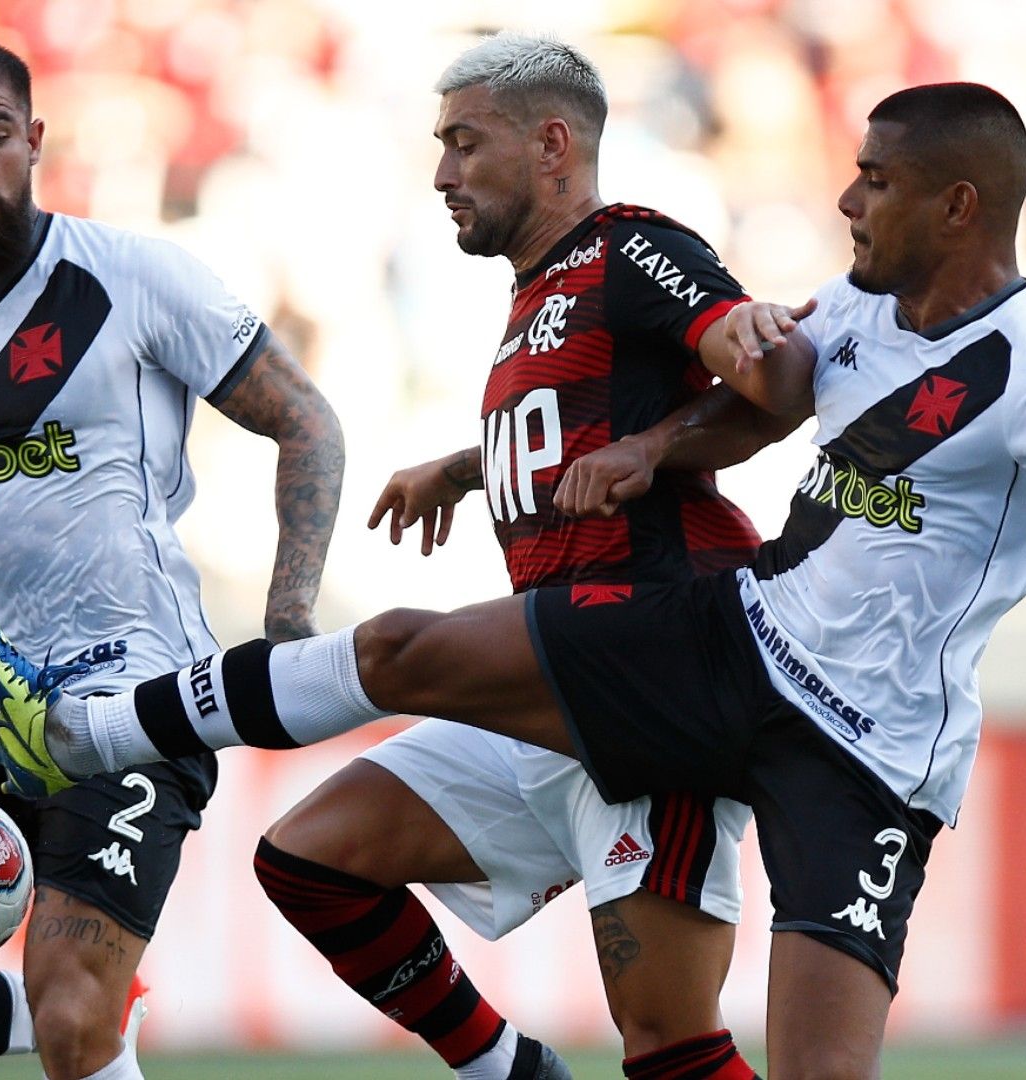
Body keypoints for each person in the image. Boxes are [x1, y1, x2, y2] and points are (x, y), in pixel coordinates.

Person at [0, 81, 1026, 1078]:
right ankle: (88, 730)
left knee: (763, 1058)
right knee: (400, 653)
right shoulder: (863, 310)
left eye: (875, 181)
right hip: (736, 642)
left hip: (870, 750)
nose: (845, 199)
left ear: (961, 205)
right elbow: (760, 410)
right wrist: (649, 445)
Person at [0, 37, 344, 1080]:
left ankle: (80, 1011)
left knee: (79, 1023)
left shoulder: (129, 275)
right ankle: (70, 1008)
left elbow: (306, 420)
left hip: (127, 694)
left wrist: (291, 616)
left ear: (34, 140)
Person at [255, 32, 804, 1080]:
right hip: (550, 693)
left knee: (671, 1046)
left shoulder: (630, 246)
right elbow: (590, 425)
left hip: (649, 687)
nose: (442, 172)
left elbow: (770, 376)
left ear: (554, 142)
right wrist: (466, 469)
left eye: (465, 143)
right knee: (309, 857)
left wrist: (661, 441)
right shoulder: (540, 288)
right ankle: (508, 1068)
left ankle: (121, 726)